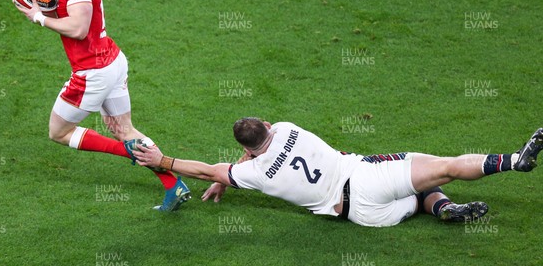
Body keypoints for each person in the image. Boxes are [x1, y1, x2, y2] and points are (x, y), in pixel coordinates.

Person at [13, 0, 190, 211]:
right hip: (112, 62)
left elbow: (80, 28)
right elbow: (74, 13)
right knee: (125, 128)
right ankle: (173, 184)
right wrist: (46, 6)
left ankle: (131, 153)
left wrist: (38, 17)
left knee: (59, 132)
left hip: (92, 73)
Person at [132, 117, 543, 227]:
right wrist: (230, 172)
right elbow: (261, 142)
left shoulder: (256, 175)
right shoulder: (290, 129)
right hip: (364, 177)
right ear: (268, 128)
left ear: (243, 149)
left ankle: (442, 210)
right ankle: (515, 161)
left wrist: (165, 162)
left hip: (362, 215)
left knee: (419, 196)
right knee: (443, 167)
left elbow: (205, 171)